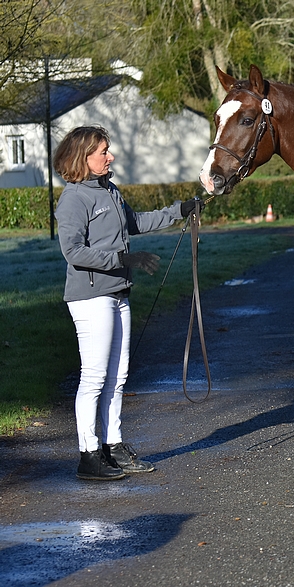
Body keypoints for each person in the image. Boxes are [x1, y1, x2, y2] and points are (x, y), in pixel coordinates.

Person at [53, 125, 202, 481]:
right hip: (91, 297)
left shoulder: (110, 191)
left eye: (108, 150)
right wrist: (122, 260)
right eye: (103, 151)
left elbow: (135, 222)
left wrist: (179, 210)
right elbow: (72, 251)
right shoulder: (73, 198)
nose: (110, 156)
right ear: (83, 158)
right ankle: (88, 455)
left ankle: (113, 445)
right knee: (93, 377)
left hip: (119, 293)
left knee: (117, 377)